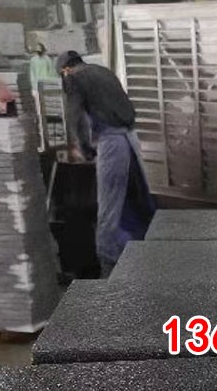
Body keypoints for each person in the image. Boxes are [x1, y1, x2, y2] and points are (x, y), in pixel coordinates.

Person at [57, 50, 155, 278]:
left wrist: (84, 149)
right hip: (131, 139)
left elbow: (75, 118)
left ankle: (109, 263)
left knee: (109, 206)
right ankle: (147, 250)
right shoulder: (102, 71)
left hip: (112, 144)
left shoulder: (74, 78)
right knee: (135, 198)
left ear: (65, 69)